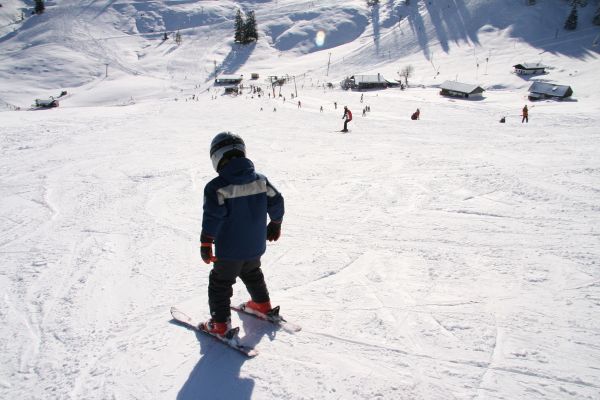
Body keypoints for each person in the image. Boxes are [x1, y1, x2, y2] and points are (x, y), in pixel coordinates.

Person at [199, 132, 285, 336]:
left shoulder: (216, 187)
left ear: (217, 157)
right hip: (255, 246)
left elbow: (212, 217)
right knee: (252, 272)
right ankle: (262, 305)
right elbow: (277, 201)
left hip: (229, 251)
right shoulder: (261, 181)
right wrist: (276, 222)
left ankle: (220, 324)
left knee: (220, 284)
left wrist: (206, 243)